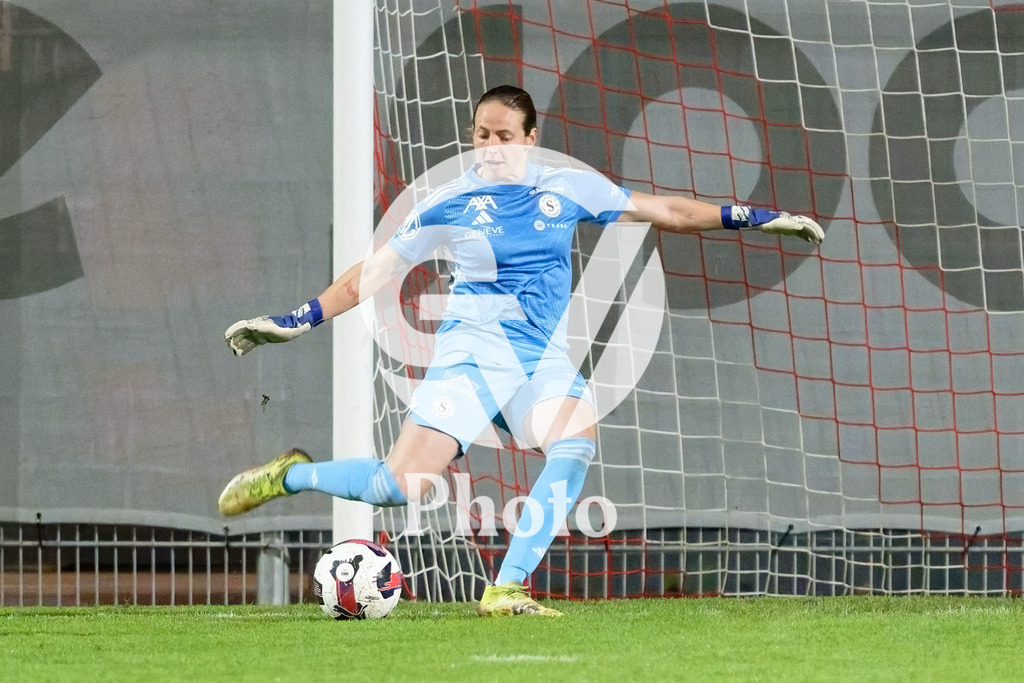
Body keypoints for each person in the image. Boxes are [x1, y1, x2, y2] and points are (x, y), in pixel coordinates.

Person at [218, 85, 824, 617]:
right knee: (396, 487)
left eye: (504, 135)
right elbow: (367, 277)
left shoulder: (569, 187)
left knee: (575, 440)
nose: (491, 145)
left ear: (531, 138)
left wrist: (757, 218)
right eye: (481, 134)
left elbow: (665, 210)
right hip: (473, 355)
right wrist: (294, 322)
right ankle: (292, 474)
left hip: (537, 358)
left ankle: (506, 588)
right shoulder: (448, 202)